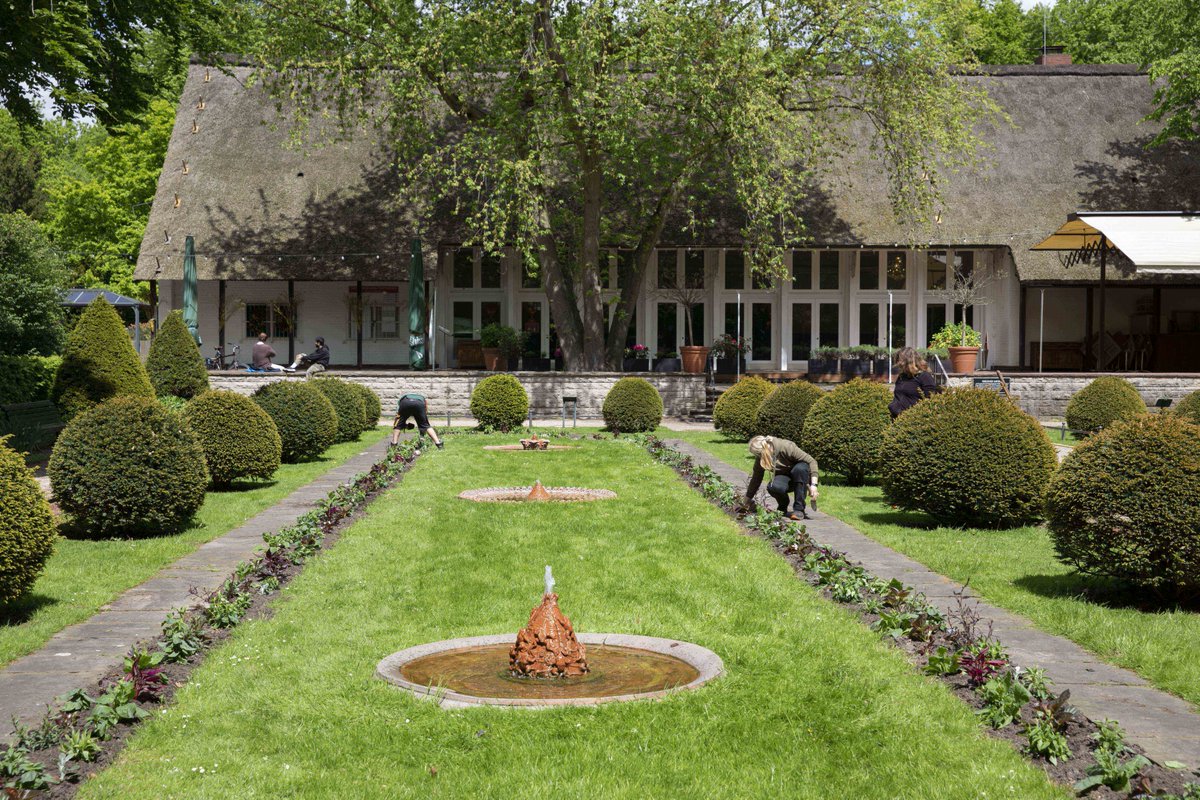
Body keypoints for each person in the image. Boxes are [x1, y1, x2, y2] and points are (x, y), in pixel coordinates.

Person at [745, 435, 819, 521]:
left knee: (800, 468)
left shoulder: (786, 446)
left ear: (763, 450)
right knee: (773, 487)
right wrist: (747, 499)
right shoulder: (762, 457)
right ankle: (783, 505)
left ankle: (799, 509)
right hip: (784, 477)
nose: (759, 457)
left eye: (759, 455)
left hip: (801, 476)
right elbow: (756, 478)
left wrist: (814, 485)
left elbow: (812, 461)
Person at [889, 346, 942, 418]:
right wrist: (893, 406)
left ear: (909, 361)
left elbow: (932, 400)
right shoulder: (902, 376)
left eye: (900, 361)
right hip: (897, 418)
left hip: (913, 420)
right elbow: (898, 396)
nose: (898, 364)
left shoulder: (924, 377)